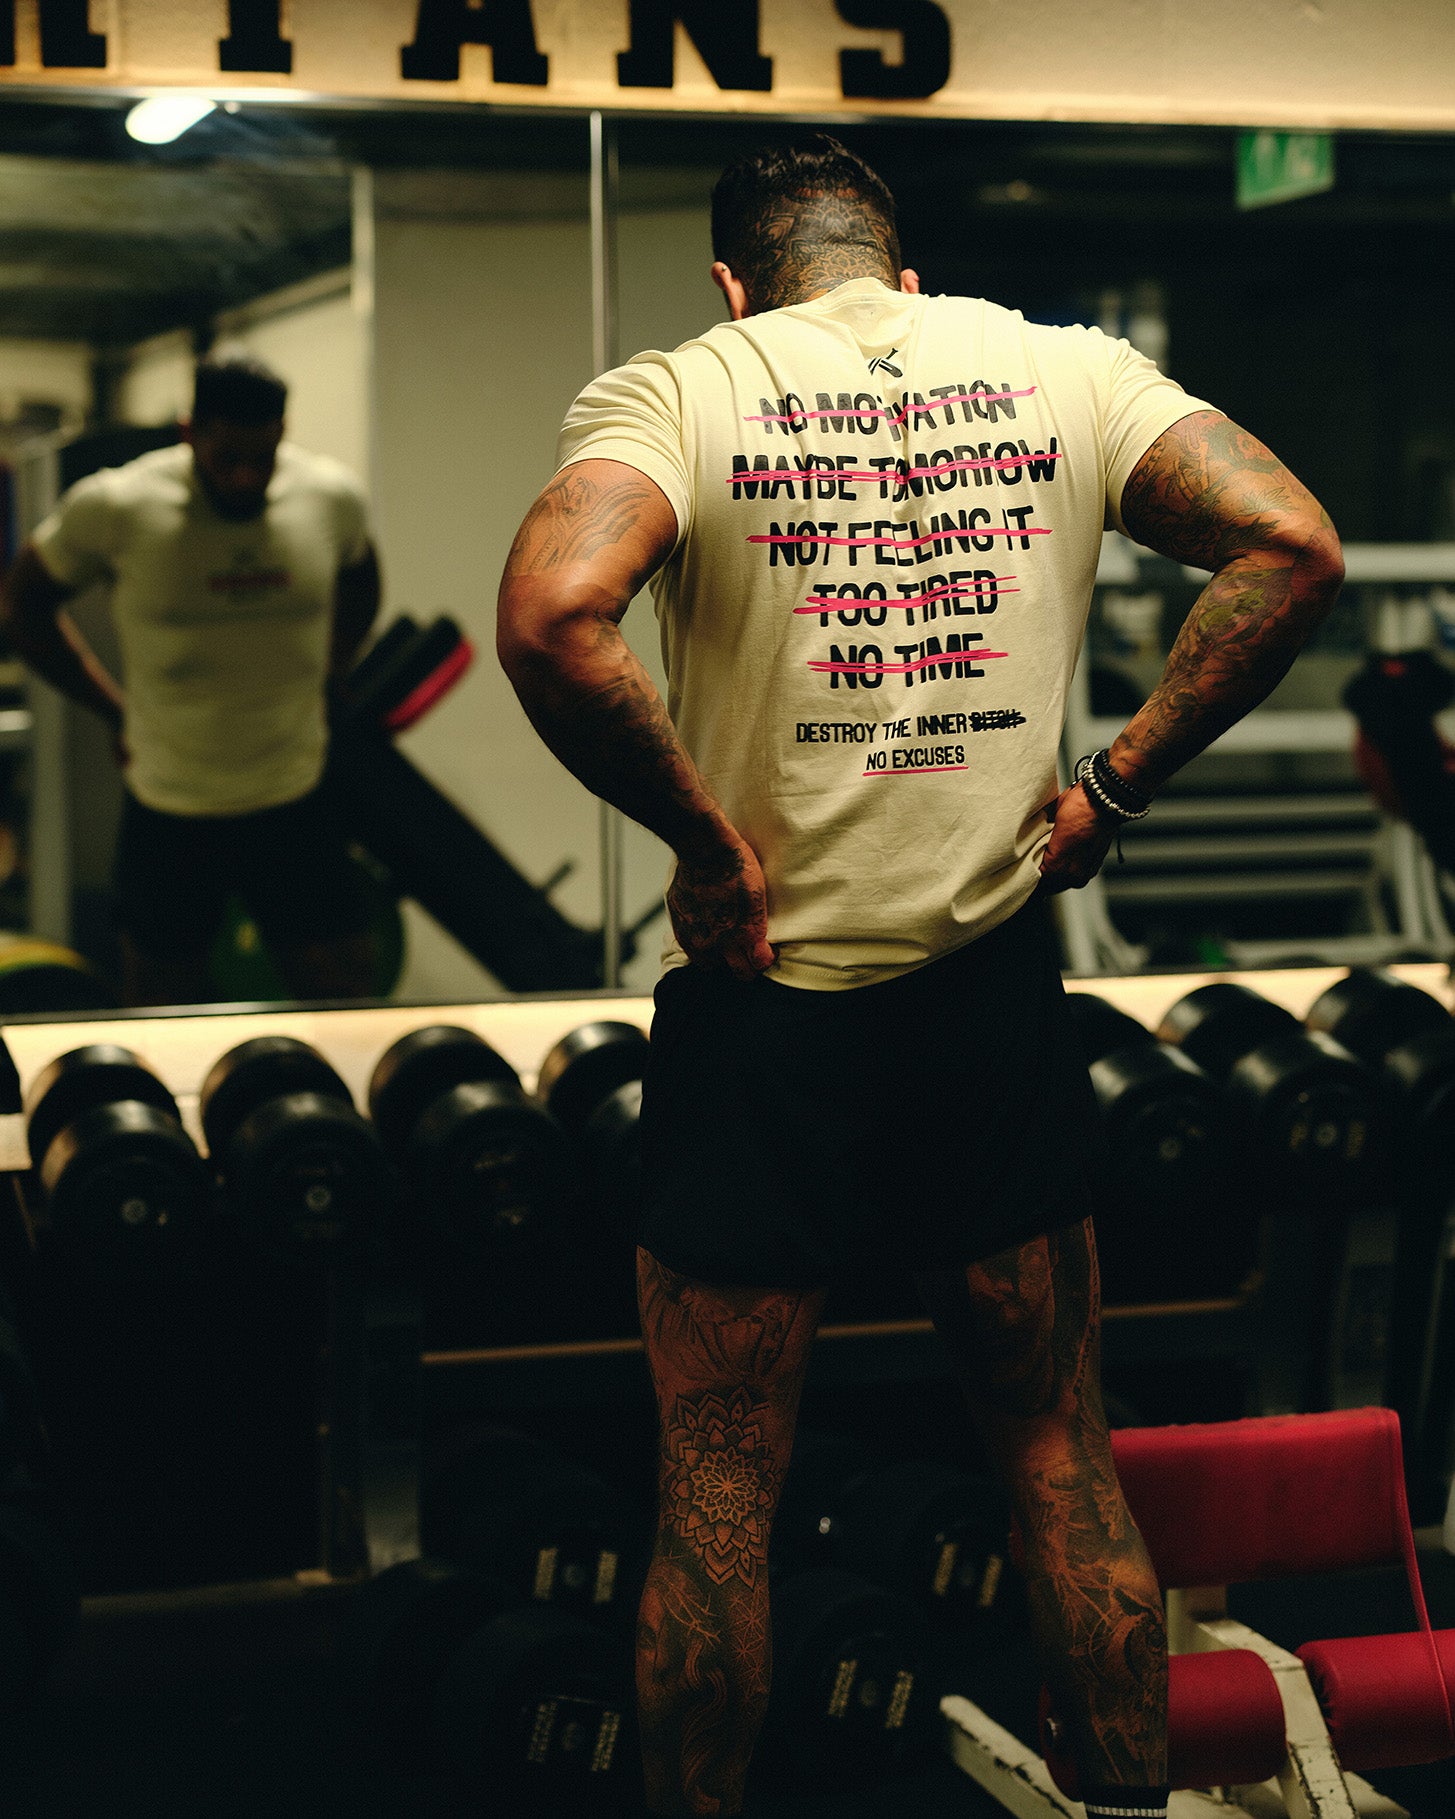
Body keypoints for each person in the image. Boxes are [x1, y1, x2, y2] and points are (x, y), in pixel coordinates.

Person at [498, 136, 1344, 1819]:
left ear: (735, 282)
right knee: (1056, 1452)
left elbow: (552, 614)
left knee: (717, 1497)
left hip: (766, 1009)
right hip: (985, 1001)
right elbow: (1293, 544)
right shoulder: (1061, 369)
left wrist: (706, 841)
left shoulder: (687, 389)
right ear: (900, 264)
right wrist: (1114, 787)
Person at [0, 350, 381, 1005]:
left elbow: (362, 580)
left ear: (282, 433)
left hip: (295, 791)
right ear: (189, 432)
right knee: (161, 1005)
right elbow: (24, 605)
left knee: (343, 992)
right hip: (171, 804)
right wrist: (110, 707)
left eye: (262, 457)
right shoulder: (116, 505)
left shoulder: (329, 496)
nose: (245, 476)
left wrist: (332, 673)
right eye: (226, 457)